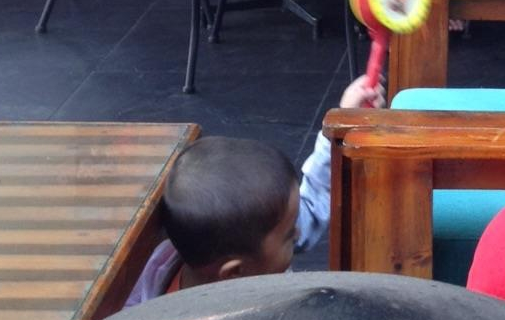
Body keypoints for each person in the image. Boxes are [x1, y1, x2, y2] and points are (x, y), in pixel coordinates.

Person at [125, 75, 379, 302]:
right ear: (235, 272)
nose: (299, 230)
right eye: (289, 236)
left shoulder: (240, 245)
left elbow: (310, 207)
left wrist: (340, 127)